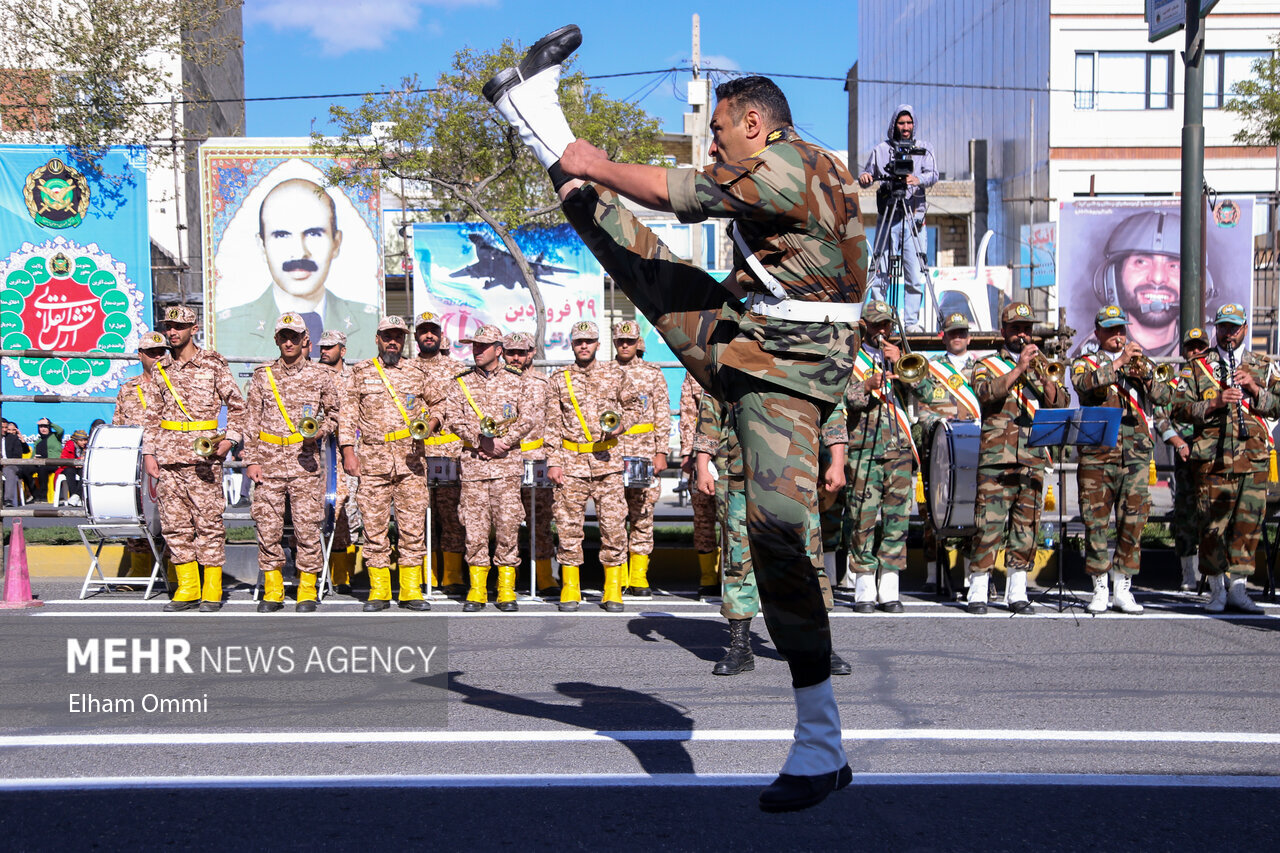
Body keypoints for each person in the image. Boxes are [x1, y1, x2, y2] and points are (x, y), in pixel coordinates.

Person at [486, 28, 866, 810]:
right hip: (755, 335)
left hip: (782, 368)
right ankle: (532, 115)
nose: (717, 146)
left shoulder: (785, 167)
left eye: (722, 131)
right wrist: (563, 152)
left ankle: (821, 745)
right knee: (638, 262)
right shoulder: (810, 162)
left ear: (755, 124)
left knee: (778, 533)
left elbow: (678, 191)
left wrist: (592, 160)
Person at [1172, 303, 1277, 613]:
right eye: (1223, 327)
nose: (1229, 333)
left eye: (1234, 327)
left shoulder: (1262, 365)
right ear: (1215, 328)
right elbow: (1178, 408)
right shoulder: (1197, 366)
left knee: (1249, 524)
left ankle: (1239, 589)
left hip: (1253, 457)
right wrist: (1215, 402)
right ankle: (1217, 588)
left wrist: (1255, 389)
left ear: (1245, 328)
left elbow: (1278, 405)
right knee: (1212, 525)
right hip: (1213, 458)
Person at [142, 304, 247, 612]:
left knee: (209, 524)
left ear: (193, 329)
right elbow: (152, 416)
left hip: (204, 459)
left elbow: (238, 406)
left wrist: (230, 439)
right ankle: (187, 587)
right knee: (174, 525)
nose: (171, 332)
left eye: (178, 327)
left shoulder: (213, 364)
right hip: (169, 458)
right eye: (168, 326)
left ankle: (212, 589)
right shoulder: (160, 368)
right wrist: (149, 452)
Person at [1071, 306, 1172, 614]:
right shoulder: (1084, 362)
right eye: (1111, 331)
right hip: (1098, 456)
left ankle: (1123, 585)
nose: (1118, 336)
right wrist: (1118, 363)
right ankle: (1099, 586)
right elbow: (1084, 387)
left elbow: (1165, 397)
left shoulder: (1143, 364)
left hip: (1136, 455)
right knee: (1096, 522)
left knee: (1134, 521)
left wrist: (1144, 375)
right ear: (1098, 332)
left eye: (1121, 330)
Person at [968, 302, 1068, 615]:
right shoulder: (986, 364)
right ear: (1004, 332)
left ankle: (1017, 591)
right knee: (989, 527)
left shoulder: (1044, 365)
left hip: (1033, 458)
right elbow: (985, 393)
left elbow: (1060, 403)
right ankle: (978, 590)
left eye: (1027, 329)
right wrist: (1019, 369)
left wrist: (1045, 378)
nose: (1022, 335)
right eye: (1016, 329)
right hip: (997, 459)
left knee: (1027, 527)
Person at [339, 315, 440, 612]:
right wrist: (348, 451)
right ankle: (380, 590)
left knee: (412, 528)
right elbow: (347, 414)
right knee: (374, 527)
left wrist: (432, 423)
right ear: (377, 339)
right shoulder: (361, 372)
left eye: (398, 336)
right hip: (373, 459)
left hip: (410, 461)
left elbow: (439, 403)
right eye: (387, 336)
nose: (392, 341)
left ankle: (410, 590)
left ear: (404, 339)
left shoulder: (417, 371)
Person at [215, 178, 379, 360]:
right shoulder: (228, 328)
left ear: (336, 242)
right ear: (262, 245)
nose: (300, 252)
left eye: (314, 233)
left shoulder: (370, 324)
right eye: (281, 235)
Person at [243, 313, 341, 613]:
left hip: (305, 462)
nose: (289, 342)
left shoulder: (321, 376)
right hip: (269, 463)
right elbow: (251, 421)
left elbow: (335, 415)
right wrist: (251, 460)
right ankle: (273, 591)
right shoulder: (263, 375)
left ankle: (307, 590)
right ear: (276, 340)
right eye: (284, 336)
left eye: (294, 337)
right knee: (267, 527)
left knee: (307, 528)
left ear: (305, 341)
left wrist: (320, 432)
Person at [436, 325, 537, 611]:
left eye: (482, 346)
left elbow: (528, 416)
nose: (476, 351)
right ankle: (477, 589)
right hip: (474, 465)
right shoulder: (460, 382)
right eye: (474, 346)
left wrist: (503, 442)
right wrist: (478, 440)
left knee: (507, 526)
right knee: (475, 528)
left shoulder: (518, 381)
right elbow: (453, 418)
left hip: (506, 466)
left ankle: (506, 589)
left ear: (498, 350)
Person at [545, 320, 641, 612]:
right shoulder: (558, 379)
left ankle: (613, 588)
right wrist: (553, 461)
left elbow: (636, 405)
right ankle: (570, 587)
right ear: (572, 345)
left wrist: (621, 426)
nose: (583, 345)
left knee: (613, 526)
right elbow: (551, 424)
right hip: (571, 464)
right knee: (568, 526)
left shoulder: (615, 374)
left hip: (607, 462)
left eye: (589, 341)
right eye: (578, 341)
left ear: (598, 344)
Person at [915, 313, 981, 594]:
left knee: (973, 509)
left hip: (972, 447)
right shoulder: (932, 368)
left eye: (962, 333)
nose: (958, 337)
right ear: (943, 335)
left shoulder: (982, 367)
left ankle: (969, 576)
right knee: (933, 510)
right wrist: (941, 422)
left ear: (969, 337)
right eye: (952, 332)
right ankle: (933, 575)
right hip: (940, 447)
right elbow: (922, 409)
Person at [858, 104, 937, 332]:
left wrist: (917, 179)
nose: (906, 127)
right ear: (895, 124)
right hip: (889, 217)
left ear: (914, 124)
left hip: (914, 218)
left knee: (914, 273)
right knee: (881, 270)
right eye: (901, 123)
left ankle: (911, 323)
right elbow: (869, 174)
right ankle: (879, 318)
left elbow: (934, 174)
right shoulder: (881, 149)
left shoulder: (925, 148)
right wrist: (865, 177)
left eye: (909, 123)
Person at [1075, 210, 1185, 359]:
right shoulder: (1093, 352)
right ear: (1113, 277)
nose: (1158, 278)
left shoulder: (1204, 347)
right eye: (1141, 262)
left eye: (1174, 266)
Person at [611, 320, 670, 596]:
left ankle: (638, 575)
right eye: (621, 341)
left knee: (643, 513)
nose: (625, 345)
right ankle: (617, 572)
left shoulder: (651, 373)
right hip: (610, 452)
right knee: (613, 515)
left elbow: (662, 413)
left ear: (637, 343)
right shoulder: (603, 373)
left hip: (644, 450)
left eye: (630, 341)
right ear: (614, 342)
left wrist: (661, 452)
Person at [413, 310, 469, 594]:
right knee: (419, 516)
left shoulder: (457, 369)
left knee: (451, 515)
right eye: (423, 331)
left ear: (441, 335)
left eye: (433, 330)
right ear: (416, 337)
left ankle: (452, 574)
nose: (429, 335)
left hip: (449, 452)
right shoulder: (406, 369)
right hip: (416, 455)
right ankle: (426, 573)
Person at [1154, 327, 1210, 591]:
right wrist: (1176, 442)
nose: (1196, 352)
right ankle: (1188, 573)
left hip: (1213, 459)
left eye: (1201, 348)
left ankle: (1217, 575)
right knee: (1186, 515)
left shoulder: (1216, 383)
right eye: (1191, 348)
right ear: (1184, 351)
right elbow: (1161, 417)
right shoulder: (1175, 384)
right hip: (1187, 458)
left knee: (1215, 515)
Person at [502, 331, 557, 596]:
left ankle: (545, 575)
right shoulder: (498, 382)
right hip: (505, 460)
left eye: (520, 352)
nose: (515, 357)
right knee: (507, 521)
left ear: (531, 353)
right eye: (510, 352)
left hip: (537, 459)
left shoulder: (544, 383)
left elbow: (554, 422)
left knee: (541, 519)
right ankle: (508, 578)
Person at [318, 328, 360, 593]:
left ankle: (343, 575)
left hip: (346, 451)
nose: (324, 351)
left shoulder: (354, 378)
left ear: (342, 350)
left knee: (346, 509)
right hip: (318, 450)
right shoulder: (312, 374)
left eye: (330, 347)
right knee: (316, 511)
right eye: (322, 347)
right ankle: (315, 571)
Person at [679, 371, 720, 598]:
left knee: (734, 518)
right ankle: (708, 577)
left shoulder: (738, 360)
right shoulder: (695, 369)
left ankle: (728, 572)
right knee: (703, 516)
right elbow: (687, 413)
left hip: (733, 453)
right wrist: (687, 452)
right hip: (700, 453)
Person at [31, 417, 64, 502]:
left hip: (53, 463)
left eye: (45, 426)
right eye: (41, 427)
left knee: (42, 468)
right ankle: (34, 494)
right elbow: (32, 455)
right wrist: (33, 458)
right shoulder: (38, 441)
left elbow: (61, 430)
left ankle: (43, 495)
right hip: (39, 463)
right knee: (25, 470)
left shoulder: (56, 436)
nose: (43, 429)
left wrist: (49, 423)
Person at [1, 419, 30, 508]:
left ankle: (8, 500)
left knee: (9, 470)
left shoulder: (13, 438)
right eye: (2, 427)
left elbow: (18, 455)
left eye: (6, 427)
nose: (5, 430)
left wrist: (6, 463)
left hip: (11, 464)